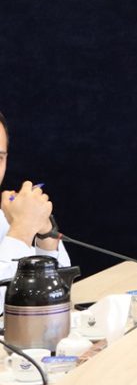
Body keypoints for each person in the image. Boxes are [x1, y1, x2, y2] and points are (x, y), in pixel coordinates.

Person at [0, 110, 71, 285]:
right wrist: (23, 229)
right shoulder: (16, 226)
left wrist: (45, 235)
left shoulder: (5, 218)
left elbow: (59, 289)